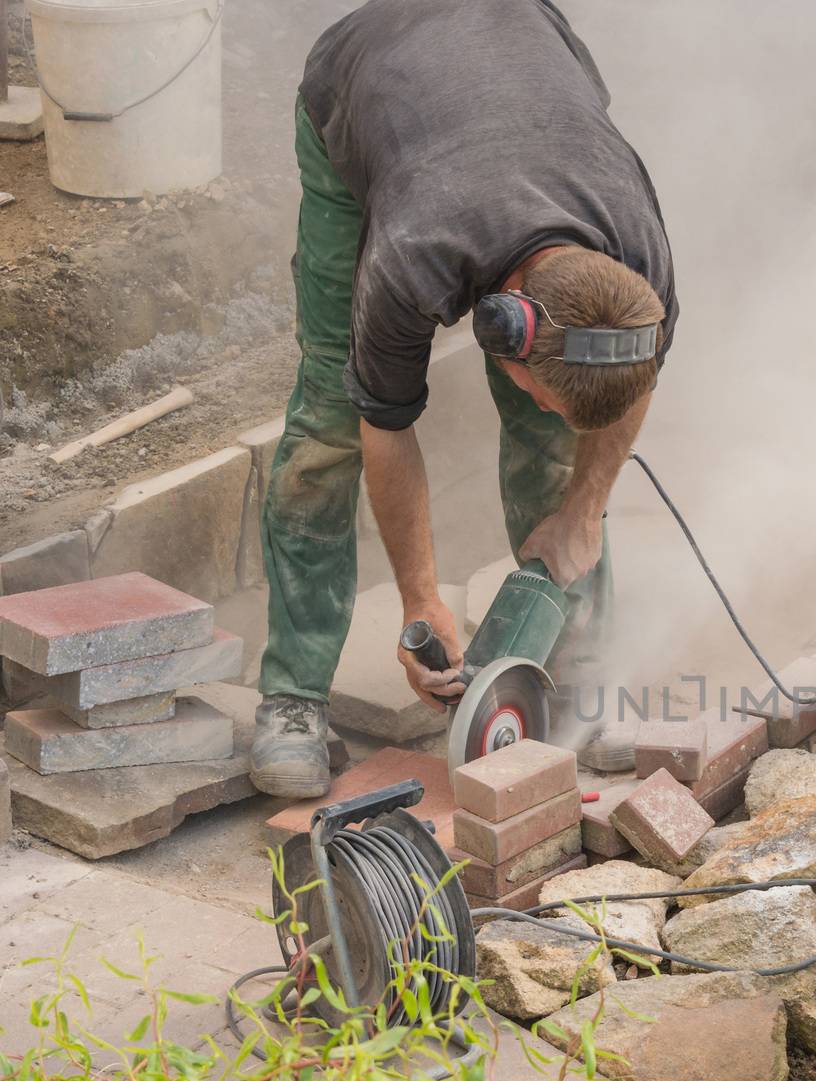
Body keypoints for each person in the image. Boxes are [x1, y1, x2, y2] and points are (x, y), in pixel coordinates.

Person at [250, 0, 676, 798]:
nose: (546, 408)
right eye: (538, 389)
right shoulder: (413, 255)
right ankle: (293, 696)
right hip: (369, 91)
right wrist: (419, 601)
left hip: (528, 59)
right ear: (499, 329)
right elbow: (386, 423)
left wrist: (585, 508)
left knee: (557, 443)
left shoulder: (637, 261)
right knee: (331, 427)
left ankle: (582, 675)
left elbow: (633, 385)